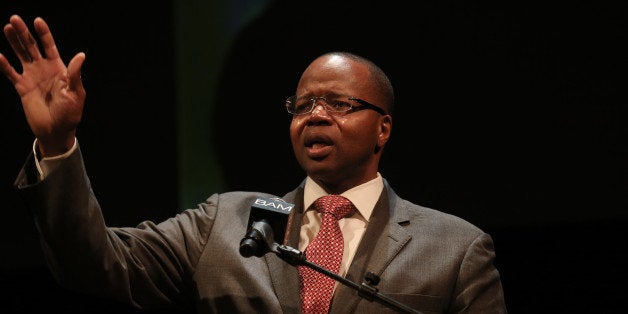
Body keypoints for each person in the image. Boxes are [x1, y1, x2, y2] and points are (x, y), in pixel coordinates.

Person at [0, 14, 507, 313]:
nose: (316, 116)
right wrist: (59, 141)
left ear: (383, 128)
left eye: (339, 104)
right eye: (303, 105)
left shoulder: (456, 249)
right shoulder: (225, 221)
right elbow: (96, 264)